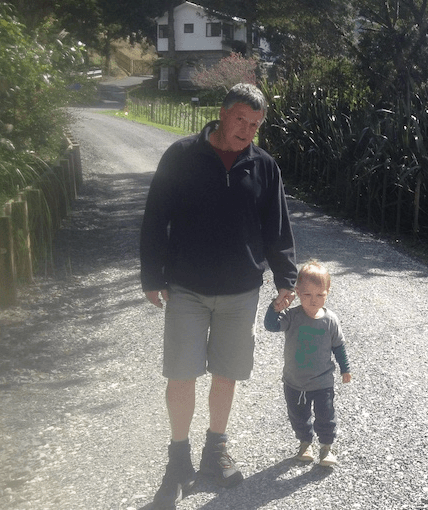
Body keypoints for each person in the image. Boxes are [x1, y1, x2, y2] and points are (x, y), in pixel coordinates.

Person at [140, 83, 297, 509]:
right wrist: (152, 274)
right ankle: (178, 462)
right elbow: (156, 216)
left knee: (227, 374)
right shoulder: (182, 156)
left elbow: (277, 228)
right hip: (187, 288)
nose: (247, 130)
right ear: (223, 114)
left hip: (240, 291)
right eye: (241, 120)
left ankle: (215, 450)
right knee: (181, 374)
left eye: (256, 124)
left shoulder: (264, 166)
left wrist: (286, 279)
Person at [263, 260, 351, 467]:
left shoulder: (331, 320)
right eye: (307, 295)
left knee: (326, 417)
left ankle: (326, 448)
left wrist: (345, 369)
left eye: (320, 295)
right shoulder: (292, 316)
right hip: (295, 383)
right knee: (299, 417)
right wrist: (275, 307)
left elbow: (339, 346)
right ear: (298, 293)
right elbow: (270, 326)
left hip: (322, 383)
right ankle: (305, 444)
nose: (314, 300)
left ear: (327, 293)